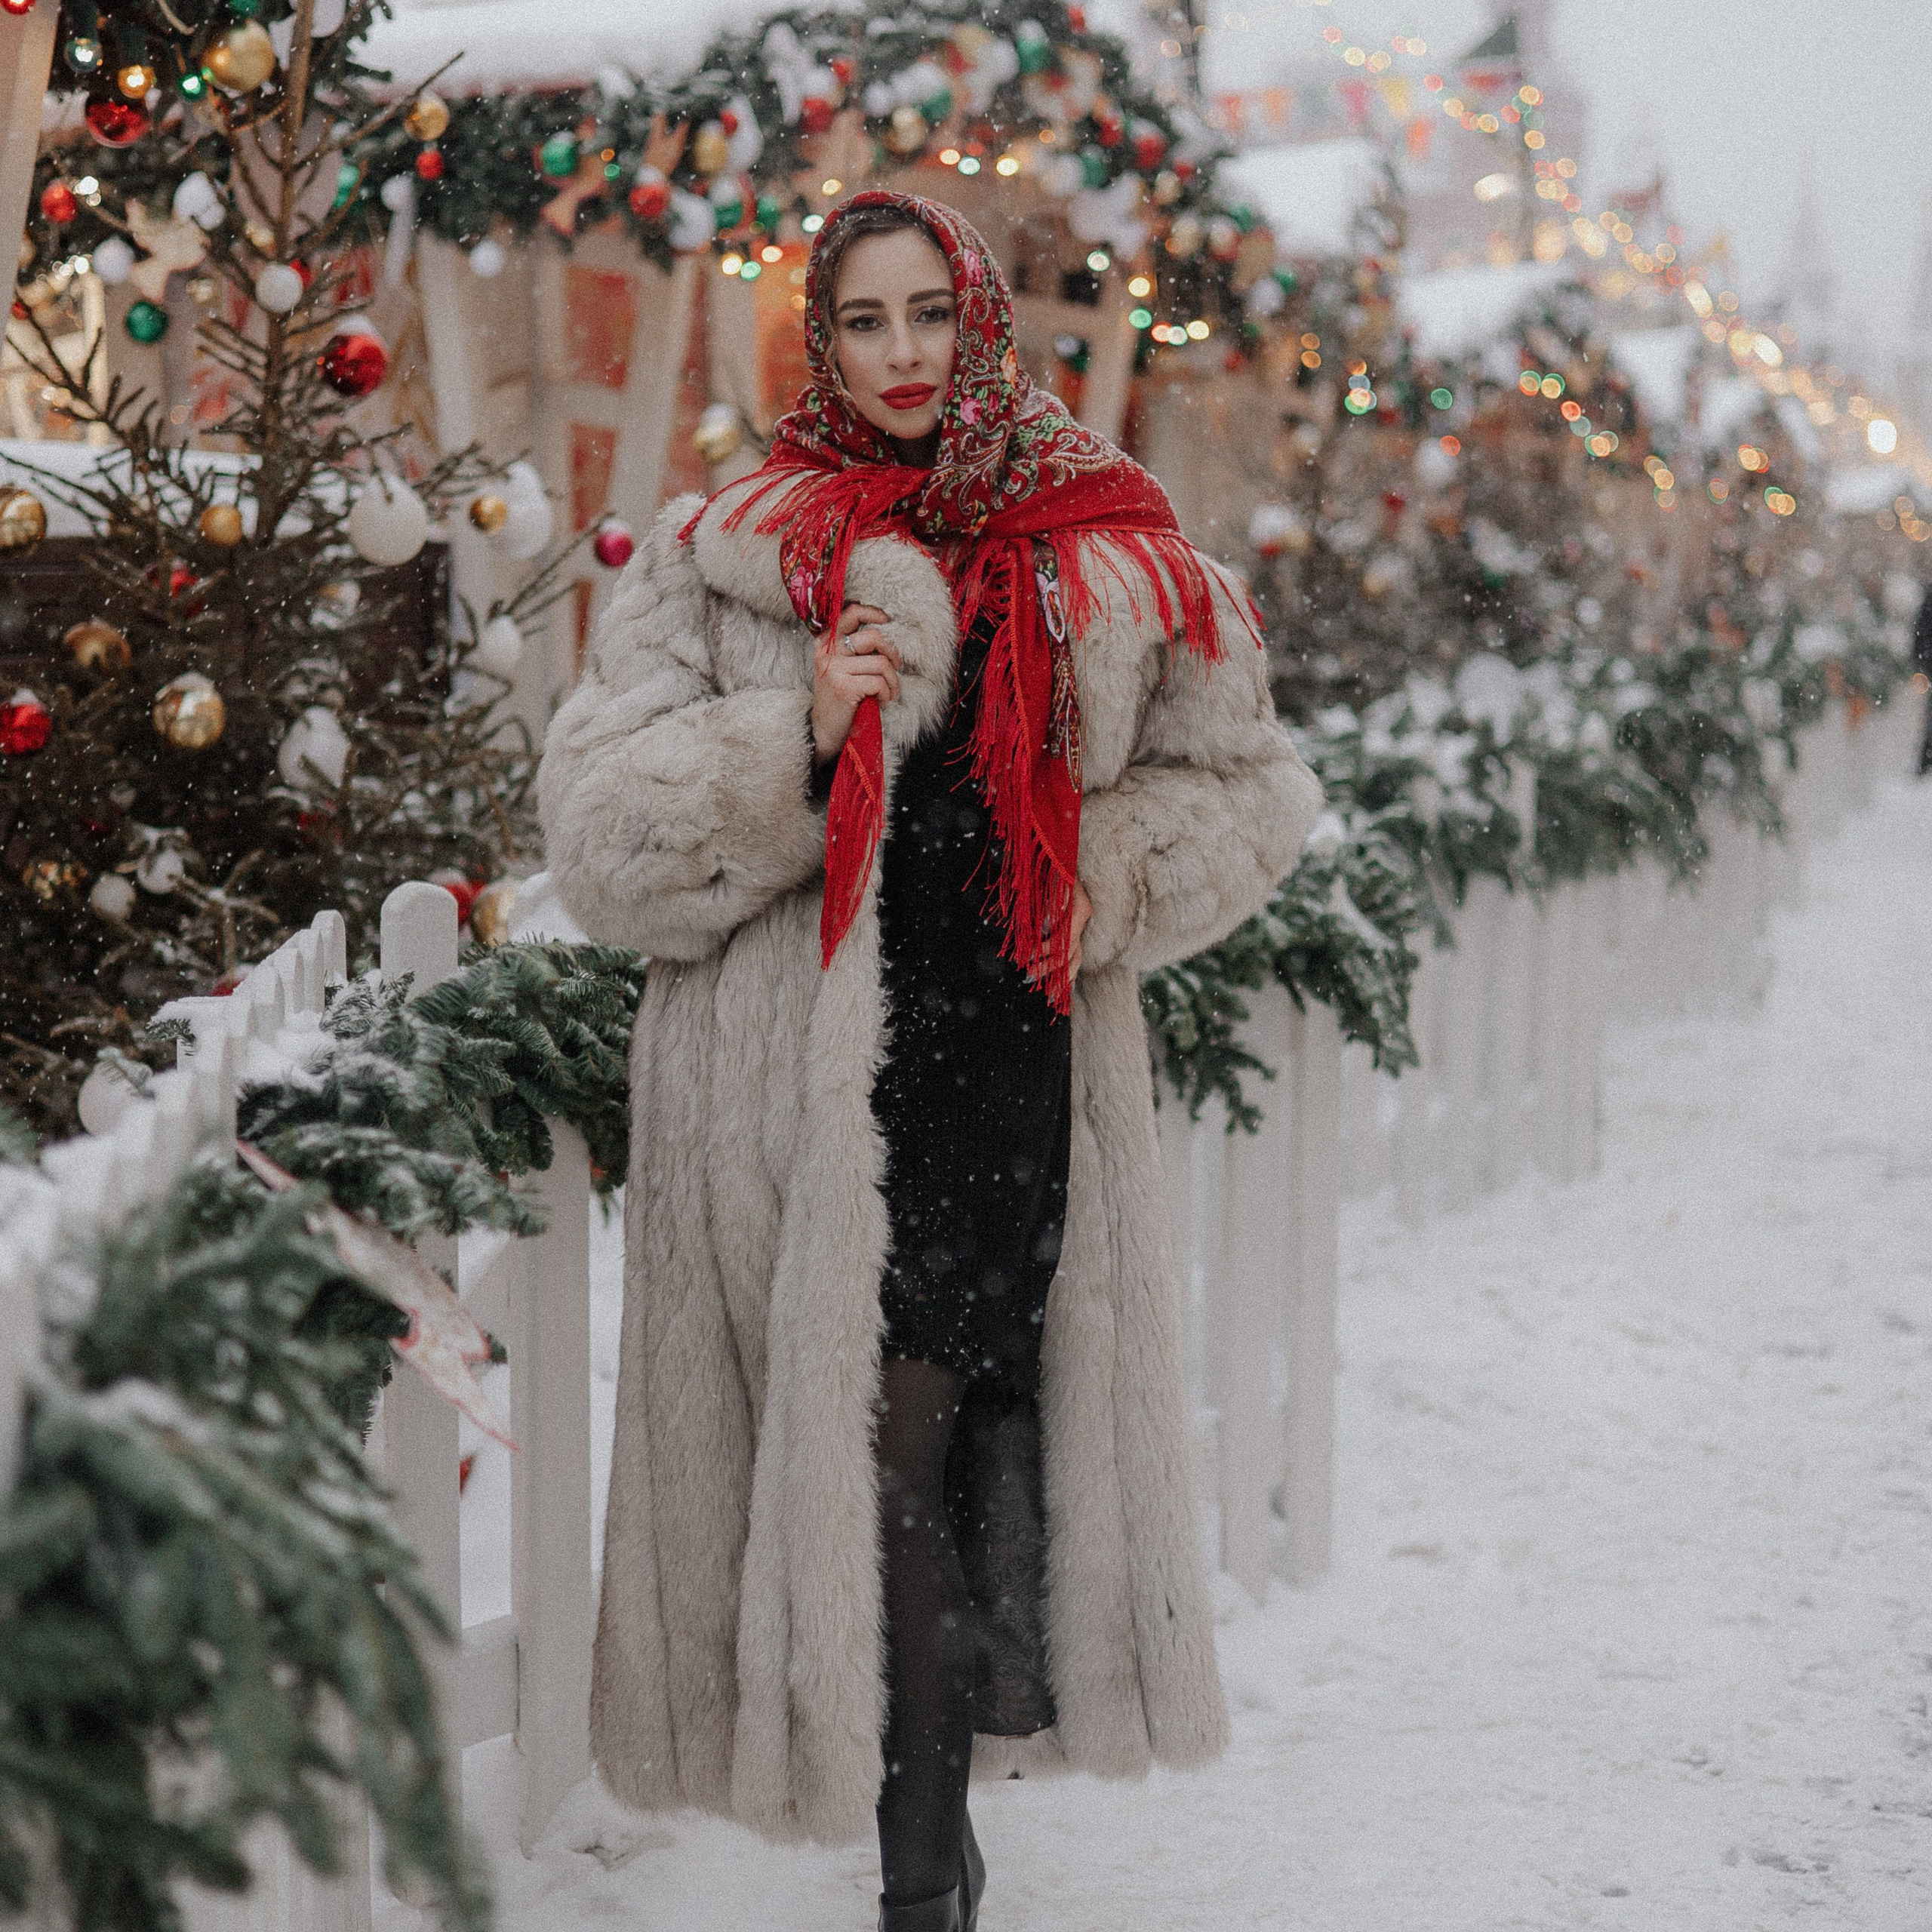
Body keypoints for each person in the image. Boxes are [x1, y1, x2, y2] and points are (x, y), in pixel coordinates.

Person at [538, 191, 1321, 1930]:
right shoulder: (724, 547)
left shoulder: (1107, 547)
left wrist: (1094, 874)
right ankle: (917, 1854)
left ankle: (929, 1819)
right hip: (804, 1096)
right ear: (818, 338)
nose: (899, 354)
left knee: (960, 1430)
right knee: (884, 1434)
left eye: (925, 317)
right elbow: (595, 835)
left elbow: (1250, 792)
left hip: (1011, 1058)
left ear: (978, 325)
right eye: (864, 321)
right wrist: (795, 737)